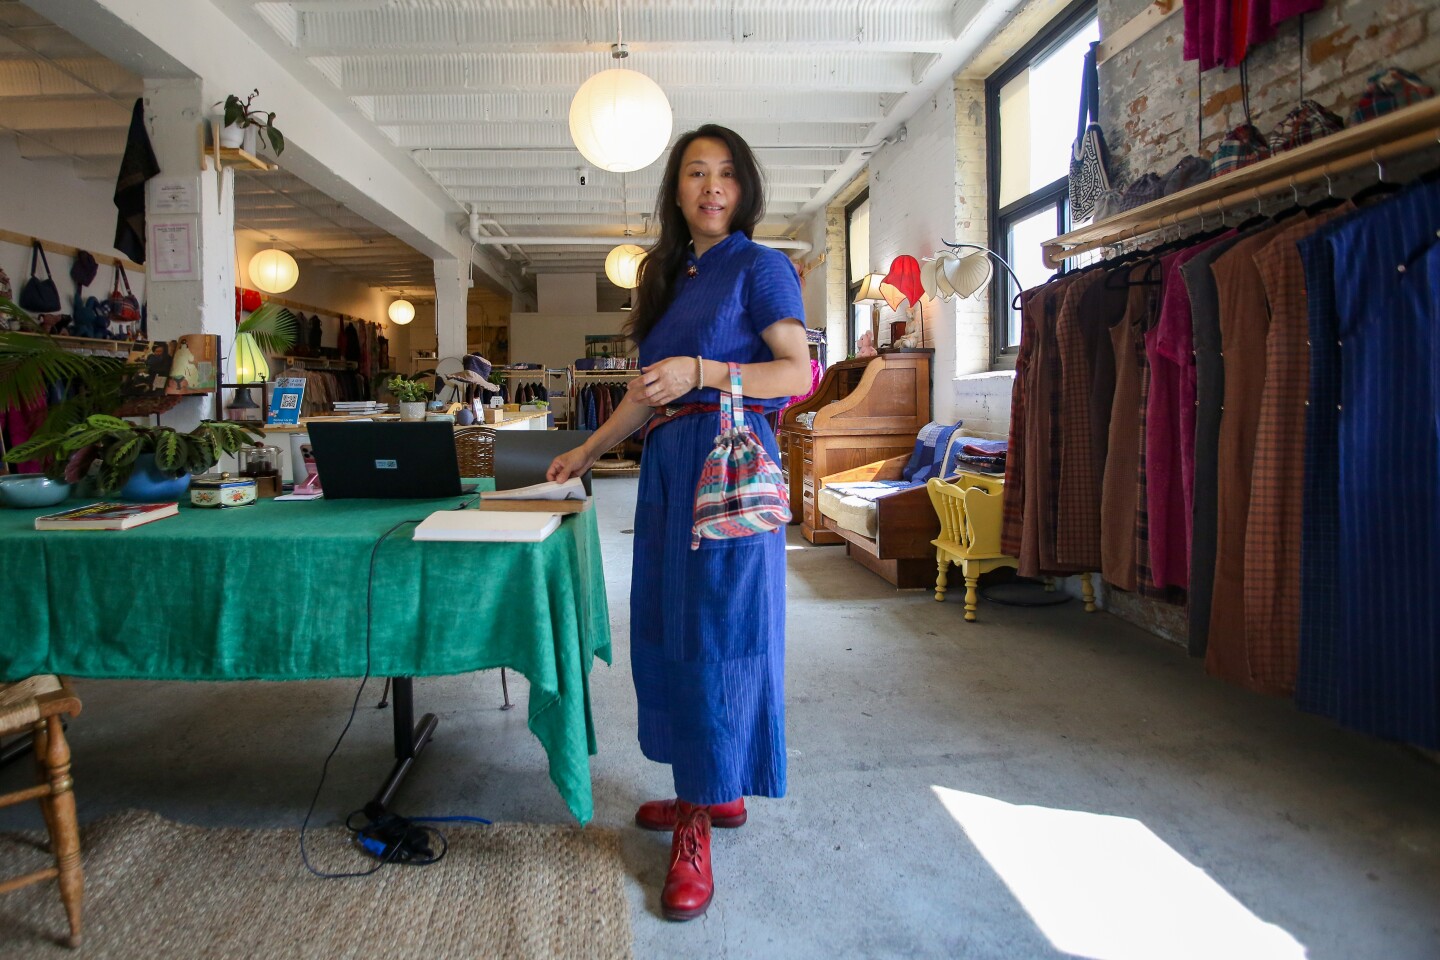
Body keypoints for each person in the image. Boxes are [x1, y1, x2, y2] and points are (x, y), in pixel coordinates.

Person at [548, 124, 811, 922]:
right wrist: (585, 451)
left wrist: (705, 369)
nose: (711, 187)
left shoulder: (761, 267)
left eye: (726, 173)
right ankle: (709, 784)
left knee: (718, 634)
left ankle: (701, 814)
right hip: (667, 469)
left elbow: (797, 371)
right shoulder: (666, 278)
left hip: (725, 467)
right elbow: (643, 392)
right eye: (696, 173)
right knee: (666, 628)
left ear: (745, 188)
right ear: (676, 191)